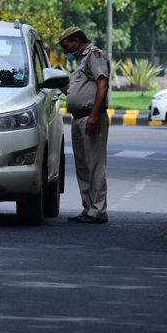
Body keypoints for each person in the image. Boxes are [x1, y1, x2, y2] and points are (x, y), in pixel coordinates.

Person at [58, 27, 110, 224]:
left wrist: (94, 116)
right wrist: (55, 83)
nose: (65, 51)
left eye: (66, 46)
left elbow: (103, 84)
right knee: (82, 166)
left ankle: (98, 211)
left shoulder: (94, 56)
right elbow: (74, 91)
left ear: (77, 42)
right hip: (78, 118)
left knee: (95, 165)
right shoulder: (81, 60)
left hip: (91, 117)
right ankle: (88, 208)